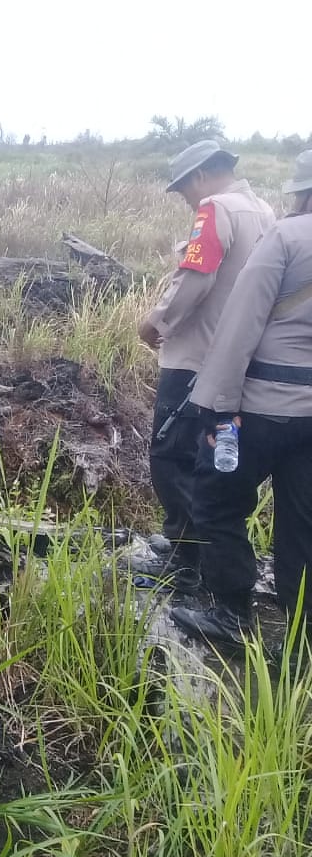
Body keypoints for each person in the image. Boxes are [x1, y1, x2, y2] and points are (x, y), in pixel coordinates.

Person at [170, 151, 312, 654]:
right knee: (302, 522)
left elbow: (239, 326)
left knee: (216, 501)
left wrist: (216, 406)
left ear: (300, 191)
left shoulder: (287, 238)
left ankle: (231, 614)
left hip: (261, 407)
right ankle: (300, 637)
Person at [137, 140, 275, 589]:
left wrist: (158, 321)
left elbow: (197, 275)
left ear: (199, 176)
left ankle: (184, 556)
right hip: (238, 361)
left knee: (170, 455)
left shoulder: (215, 208)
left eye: (183, 189)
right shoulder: (265, 211)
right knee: (207, 461)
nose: (185, 199)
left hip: (194, 357)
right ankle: (194, 549)